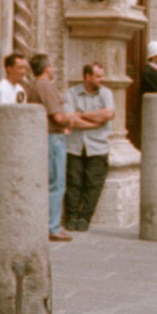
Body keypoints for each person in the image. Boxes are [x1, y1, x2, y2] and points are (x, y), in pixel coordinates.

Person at [29, 54, 78, 242]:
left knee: (49, 181)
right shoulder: (45, 87)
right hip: (53, 137)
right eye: (51, 65)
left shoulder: (34, 86)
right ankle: (53, 227)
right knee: (57, 182)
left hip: (45, 136)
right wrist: (71, 119)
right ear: (47, 68)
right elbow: (57, 117)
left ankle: (48, 223)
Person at [63, 62, 115, 232]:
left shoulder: (106, 94)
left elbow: (108, 114)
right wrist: (94, 123)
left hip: (98, 146)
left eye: (102, 75)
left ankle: (85, 218)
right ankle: (71, 217)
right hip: (74, 146)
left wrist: (82, 115)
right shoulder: (72, 93)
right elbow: (70, 119)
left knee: (94, 184)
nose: (102, 79)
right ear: (87, 77)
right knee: (73, 182)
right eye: (98, 76)